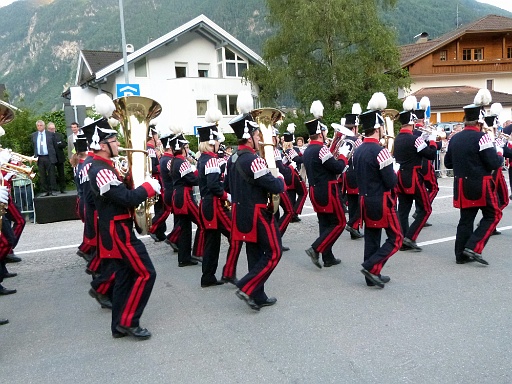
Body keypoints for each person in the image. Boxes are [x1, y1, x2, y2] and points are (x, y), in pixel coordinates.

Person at [87, 118, 160, 339]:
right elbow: (125, 198)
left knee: (124, 277)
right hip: (118, 231)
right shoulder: (100, 170)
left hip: (117, 228)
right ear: (101, 145)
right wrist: (148, 188)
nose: (118, 144)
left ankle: (119, 325)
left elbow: (120, 192)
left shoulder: (106, 167)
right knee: (147, 273)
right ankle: (129, 321)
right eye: (113, 140)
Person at [225, 105, 285, 311]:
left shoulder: (231, 159)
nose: (259, 137)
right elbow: (275, 186)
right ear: (249, 137)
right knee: (274, 252)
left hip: (240, 212)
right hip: (258, 213)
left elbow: (227, 186)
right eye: (257, 134)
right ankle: (247, 287)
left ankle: (258, 296)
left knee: (255, 254)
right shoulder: (254, 160)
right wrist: (279, 178)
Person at [444, 89, 503, 265]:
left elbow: (448, 164)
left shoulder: (455, 139)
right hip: (481, 184)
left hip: (462, 184)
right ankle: (474, 246)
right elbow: (493, 163)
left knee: (466, 220)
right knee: (494, 215)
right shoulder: (482, 137)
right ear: (479, 121)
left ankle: (460, 255)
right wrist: (499, 152)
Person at [353, 92, 402, 288]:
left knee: (372, 238)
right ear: (377, 128)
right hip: (381, 200)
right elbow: (390, 182)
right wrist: (394, 169)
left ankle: (372, 276)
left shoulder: (358, 150)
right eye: (381, 126)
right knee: (396, 238)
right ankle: (370, 266)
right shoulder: (381, 151)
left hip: (365, 199)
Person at [302, 100, 351, 269]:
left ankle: (328, 257)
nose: (326, 133)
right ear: (320, 133)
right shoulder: (321, 149)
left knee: (324, 223)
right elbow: (337, 167)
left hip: (315, 190)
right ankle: (316, 248)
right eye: (324, 130)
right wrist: (344, 155)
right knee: (339, 222)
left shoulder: (308, 149)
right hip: (328, 190)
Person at [394, 96, 438, 251]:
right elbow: (431, 154)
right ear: (412, 123)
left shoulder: (397, 138)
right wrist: (432, 140)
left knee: (403, 210)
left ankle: (403, 238)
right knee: (426, 209)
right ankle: (410, 237)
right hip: (413, 176)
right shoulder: (414, 139)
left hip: (401, 176)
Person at [196, 123, 235, 287]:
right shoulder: (211, 160)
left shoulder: (202, 159)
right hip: (214, 205)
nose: (219, 144)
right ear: (212, 142)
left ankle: (208, 276)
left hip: (206, 204)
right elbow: (213, 185)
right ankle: (228, 273)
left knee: (212, 242)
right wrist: (227, 195)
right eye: (217, 141)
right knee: (236, 236)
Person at [169, 130, 204, 267]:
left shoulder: (173, 161)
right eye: (186, 147)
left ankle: (184, 258)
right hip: (185, 196)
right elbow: (192, 179)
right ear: (182, 148)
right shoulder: (182, 162)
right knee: (201, 222)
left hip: (177, 195)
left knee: (185, 228)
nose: (188, 150)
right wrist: (200, 174)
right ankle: (197, 252)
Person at [31, 120, 58, 196]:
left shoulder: (50, 134)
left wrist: (54, 156)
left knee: (51, 174)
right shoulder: (34, 135)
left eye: (41, 125)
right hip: (40, 157)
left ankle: (53, 190)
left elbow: (54, 146)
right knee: (42, 175)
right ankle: (45, 191)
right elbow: (34, 146)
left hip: (49, 156)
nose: (39, 127)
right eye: (38, 126)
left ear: (44, 126)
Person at [47, 122, 67, 193]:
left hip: (59, 157)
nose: (52, 130)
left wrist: (60, 144)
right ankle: (53, 189)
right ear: (48, 129)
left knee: (61, 173)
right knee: (51, 174)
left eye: (53, 128)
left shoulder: (59, 135)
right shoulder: (46, 136)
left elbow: (64, 144)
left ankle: (63, 188)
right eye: (50, 129)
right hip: (50, 158)